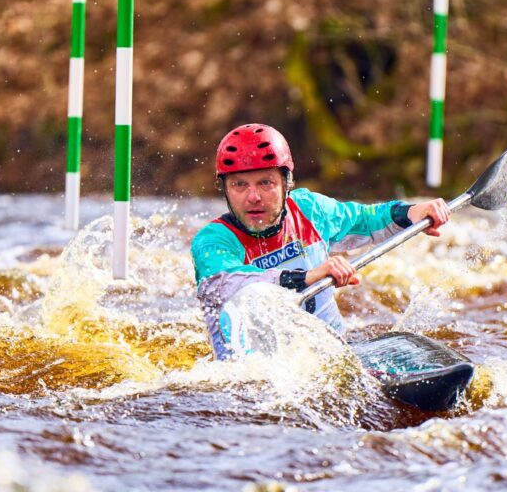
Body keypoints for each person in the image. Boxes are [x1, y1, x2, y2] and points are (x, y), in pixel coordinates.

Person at [190, 123, 451, 359]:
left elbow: (364, 219)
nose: (253, 197)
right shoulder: (212, 241)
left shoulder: (309, 210)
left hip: (333, 356)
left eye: (265, 183)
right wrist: (307, 277)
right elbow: (230, 283)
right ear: (225, 189)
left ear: (286, 183)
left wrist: (410, 212)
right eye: (239, 185)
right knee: (253, 295)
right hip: (254, 372)